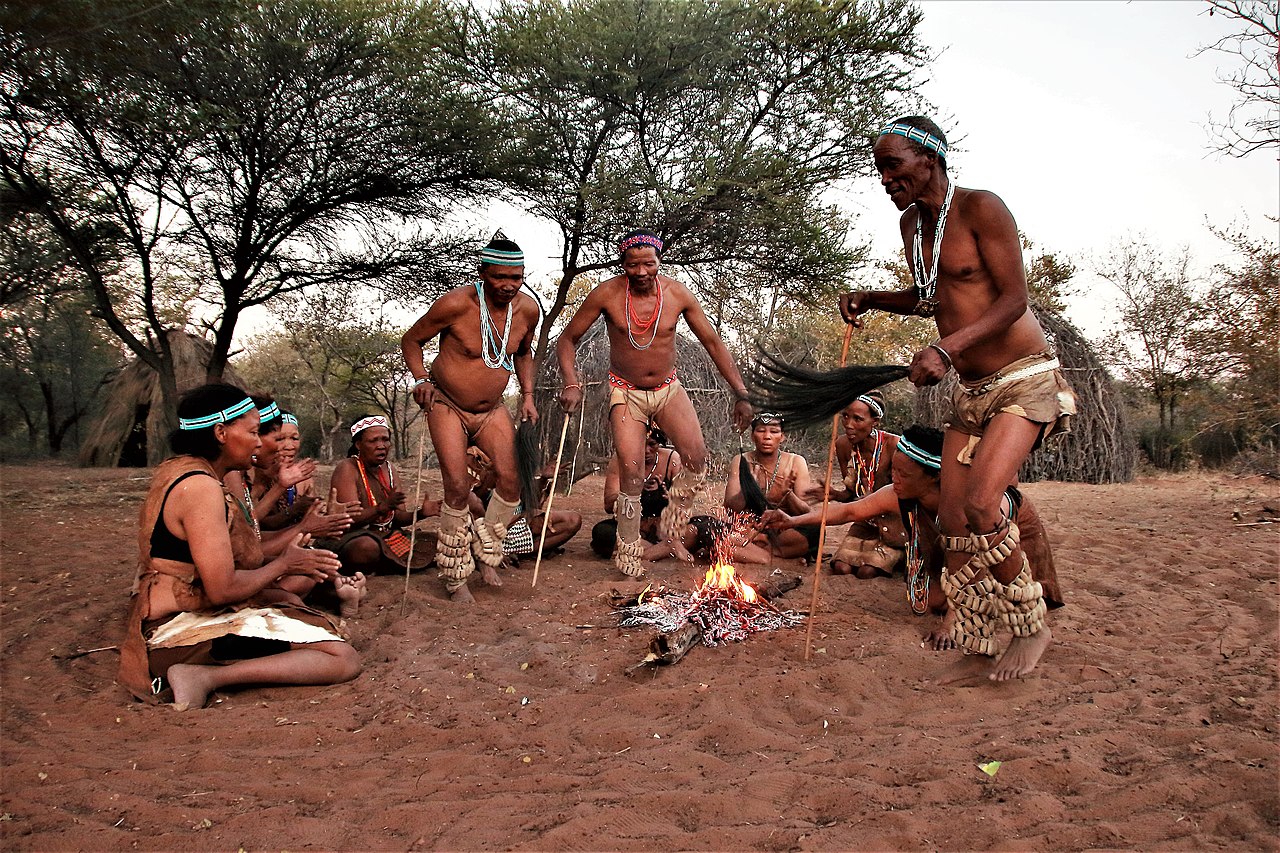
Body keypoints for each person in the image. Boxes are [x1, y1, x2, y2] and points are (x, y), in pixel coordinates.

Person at [840, 116, 1076, 680]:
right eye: (878, 168)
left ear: (930, 158)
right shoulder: (910, 226)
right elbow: (934, 297)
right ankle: (976, 625)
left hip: (1024, 376)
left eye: (892, 164)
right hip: (973, 391)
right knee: (949, 514)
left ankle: (1031, 623)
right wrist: (872, 297)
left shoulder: (980, 208)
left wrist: (946, 350)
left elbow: (1014, 299)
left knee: (981, 502)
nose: (884, 177)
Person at [118, 383, 361, 709]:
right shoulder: (201, 488)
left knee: (288, 601)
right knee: (342, 657)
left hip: (179, 615)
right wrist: (285, 563)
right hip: (175, 631)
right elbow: (221, 590)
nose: (260, 442)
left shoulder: (183, 471)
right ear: (220, 433)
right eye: (252, 432)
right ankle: (203, 677)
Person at [765, 425, 1063, 677]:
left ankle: (1031, 629)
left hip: (1007, 550)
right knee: (935, 600)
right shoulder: (901, 492)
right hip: (956, 553)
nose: (895, 478)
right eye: (894, 469)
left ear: (933, 476)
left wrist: (952, 626)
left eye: (904, 474)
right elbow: (847, 511)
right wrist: (792, 519)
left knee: (995, 594)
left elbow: (977, 565)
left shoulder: (976, 504)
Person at [556, 229, 753, 577]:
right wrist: (571, 382)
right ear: (623, 264)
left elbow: (713, 343)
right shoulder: (606, 294)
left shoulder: (677, 294)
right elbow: (567, 339)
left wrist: (741, 392)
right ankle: (630, 555)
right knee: (630, 473)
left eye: (649, 263)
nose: (642, 272)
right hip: (625, 391)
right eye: (633, 265)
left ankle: (671, 524)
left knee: (697, 459)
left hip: (668, 388)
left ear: (660, 261)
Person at [401, 234, 541, 602]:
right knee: (458, 487)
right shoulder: (455, 304)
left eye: (517, 277)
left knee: (512, 484)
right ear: (482, 273)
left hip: (492, 410)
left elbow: (524, 353)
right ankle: (454, 574)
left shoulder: (527, 310)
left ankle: (486, 550)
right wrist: (420, 380)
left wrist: (527, 396)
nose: (509, 285)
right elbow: (411, 340)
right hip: (447, 404)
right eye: (500, 277)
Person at [327, 416, 441, 579]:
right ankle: (386, 563)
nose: (381, 446)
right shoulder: (347, 468)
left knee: (436, 541)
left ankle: (385, 563)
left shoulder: (389, 469)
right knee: (366, 548)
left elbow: (398, 518)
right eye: (373, 441)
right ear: (358, 445)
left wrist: (421, 513)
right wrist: (382, 507)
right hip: (353, 538)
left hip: (387, 536)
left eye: (385, 440)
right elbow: (349, 519)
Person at [817, 391, 906, 577]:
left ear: (874, 422)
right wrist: (834, 494)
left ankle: (901, 553)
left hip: (893, 523)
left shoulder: (893, 445)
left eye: (858, 419)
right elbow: (851, 494)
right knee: (841, 568)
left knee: (866, 572)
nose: (849, 425)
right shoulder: (843, 445)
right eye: (846, 417)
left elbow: (905, 494)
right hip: (864, 521)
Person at [708, 412, 816, 564]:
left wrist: (788, 494)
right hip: (749, 528)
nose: (767, 436)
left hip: (784, 529)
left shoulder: (796, 462)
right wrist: (749, 485)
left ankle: (752, 550)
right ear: (752, 436)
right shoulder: (741, 461)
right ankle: (776, 554)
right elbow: (731, 508)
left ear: (782, 436)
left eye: (774, 431)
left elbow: (805, 513)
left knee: (815, 529)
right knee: (713, 529)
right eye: (761, 430)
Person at [466, 446, 582, 561]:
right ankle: (496, 552)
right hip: (491, 533)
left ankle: (520, 552)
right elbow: (478, 516)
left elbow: (531, 505)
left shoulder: (518, 472)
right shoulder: (483, 469)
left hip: (520, 527)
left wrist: (543, 479)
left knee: (573, 521)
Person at [590, 424, 682, 560]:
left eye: (652, 444)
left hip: (663, 527)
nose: (646, 450)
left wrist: (670, 497)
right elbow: (609, 505)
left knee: (696, 527)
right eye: (641, 444)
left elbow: (684, 504)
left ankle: (641, 550)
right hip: (630, 527)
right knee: (602, 532)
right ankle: (659, 550)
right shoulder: (620, 460)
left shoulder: (672, 459)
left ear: (660, 444)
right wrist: (635, 489)